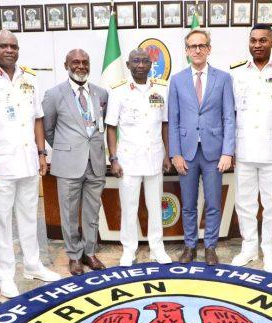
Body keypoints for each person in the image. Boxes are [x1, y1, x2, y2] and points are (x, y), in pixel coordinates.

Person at [0, 30, 62, 298]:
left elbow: (37, 119)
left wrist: (41, 154)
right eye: (3, 46)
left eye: (13, 46)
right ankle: (5, 275)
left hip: (28, 162)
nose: (9, 50)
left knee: (30, 218)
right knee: (0, 223)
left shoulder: (29, 78)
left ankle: (33, 265)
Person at [230, 24, 272, 272]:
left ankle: (269, 251)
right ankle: (249, 248)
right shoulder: (236, 72)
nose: (257, 45)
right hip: (244, 149)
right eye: (253, 40)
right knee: (245, 204)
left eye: (263, 40)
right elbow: (231, 113)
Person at [168, 29, 235, 265]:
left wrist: (227, 151)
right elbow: (173, 119)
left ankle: (210, 247)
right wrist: (175, 153)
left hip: (214, 153)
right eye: (192, 46)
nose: (197, 50)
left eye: (201, 45)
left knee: (213, 203)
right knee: (188, 204)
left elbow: (229, 117)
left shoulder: (223, 78)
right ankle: (190, 246)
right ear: (186, 51)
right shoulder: (177, 80)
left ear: (209, 49)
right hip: (186, 152)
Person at [42, 49, 109, 275]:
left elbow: (101, 125)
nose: (81, 66)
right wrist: (67, 148)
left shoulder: (101, 93)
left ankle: (89, 252)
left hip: (95, 162)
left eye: (85, 62)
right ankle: (74, 256)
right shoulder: (54, 94)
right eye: (76, 62)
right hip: (68, 163)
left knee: (92, 212)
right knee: (69, 213)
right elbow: (48, 129)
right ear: (66, 65)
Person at [106, 49, 173, 267]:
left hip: (155, 158)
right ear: (128, 65)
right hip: (128, 160)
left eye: (145, 61)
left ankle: (157, 248)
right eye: (136, 61)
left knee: (155, 206)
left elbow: (165, 124)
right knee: (129, 207)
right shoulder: (118, 91)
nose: (141, 65)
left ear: (151, 64)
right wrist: (113, 159)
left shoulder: (161, 89)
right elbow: (111, 127)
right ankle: (129, 249)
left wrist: (167, 154)